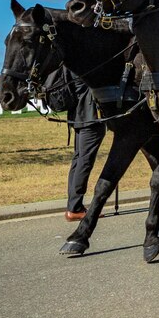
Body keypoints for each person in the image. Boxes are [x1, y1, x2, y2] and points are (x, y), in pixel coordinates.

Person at [43, 68, 108, 221]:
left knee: (78, 160)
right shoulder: (84, 65)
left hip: (78, 116)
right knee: (84, 162)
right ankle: (75, 208)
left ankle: (73, 205)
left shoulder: (68, 66)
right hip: (90, 117)